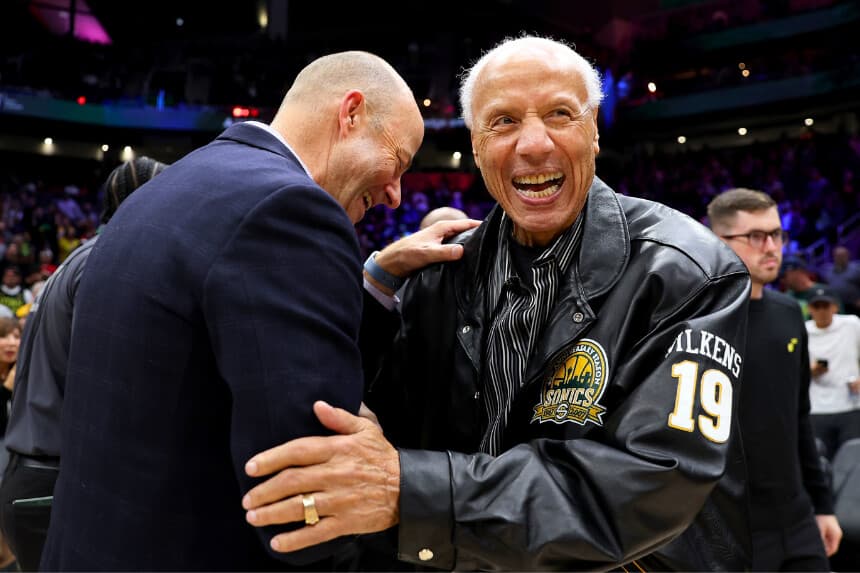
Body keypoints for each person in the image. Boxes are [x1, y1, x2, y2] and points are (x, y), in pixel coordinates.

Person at [241, 35, 753, 571]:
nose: (533, 144)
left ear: (594, 129)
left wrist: (412, 492)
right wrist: (374, 284)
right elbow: (366, 439)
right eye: (503, 121)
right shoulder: (435, 279)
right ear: (477, 146)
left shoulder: (688, 272)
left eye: (559, 114)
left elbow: (651, 484)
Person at [40, 50, 432, 572]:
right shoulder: (291, 210)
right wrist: (393, 471)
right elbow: (306, 512)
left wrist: (376, 279)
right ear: (351, 113)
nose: (396, 195)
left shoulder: (173, 184)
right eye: (398, 162)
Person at [0, 157, 168, 572]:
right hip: (55, 478)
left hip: (34, 471)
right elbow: (106, 382)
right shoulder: (106, 262)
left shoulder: (82, 257)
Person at [707, 188, 841, 570]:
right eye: (755, 236)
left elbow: (799, 416)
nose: (772, 247)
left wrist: (823, 505)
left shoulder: (789, 313)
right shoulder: (697, 320)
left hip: (796, 515)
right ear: (719, 240)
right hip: (729, 523)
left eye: (776, 234)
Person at [806, 284, 860, 461]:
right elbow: (792, 371)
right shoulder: (803, 330)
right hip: (816, 408)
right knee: (820, 461)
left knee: (853, 462)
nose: (822, 311)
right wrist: (811, 371)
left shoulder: (852, 324)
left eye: (826, 305)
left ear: (835, 307)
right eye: (817, 306)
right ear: (809, 309)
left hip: (850, 406)